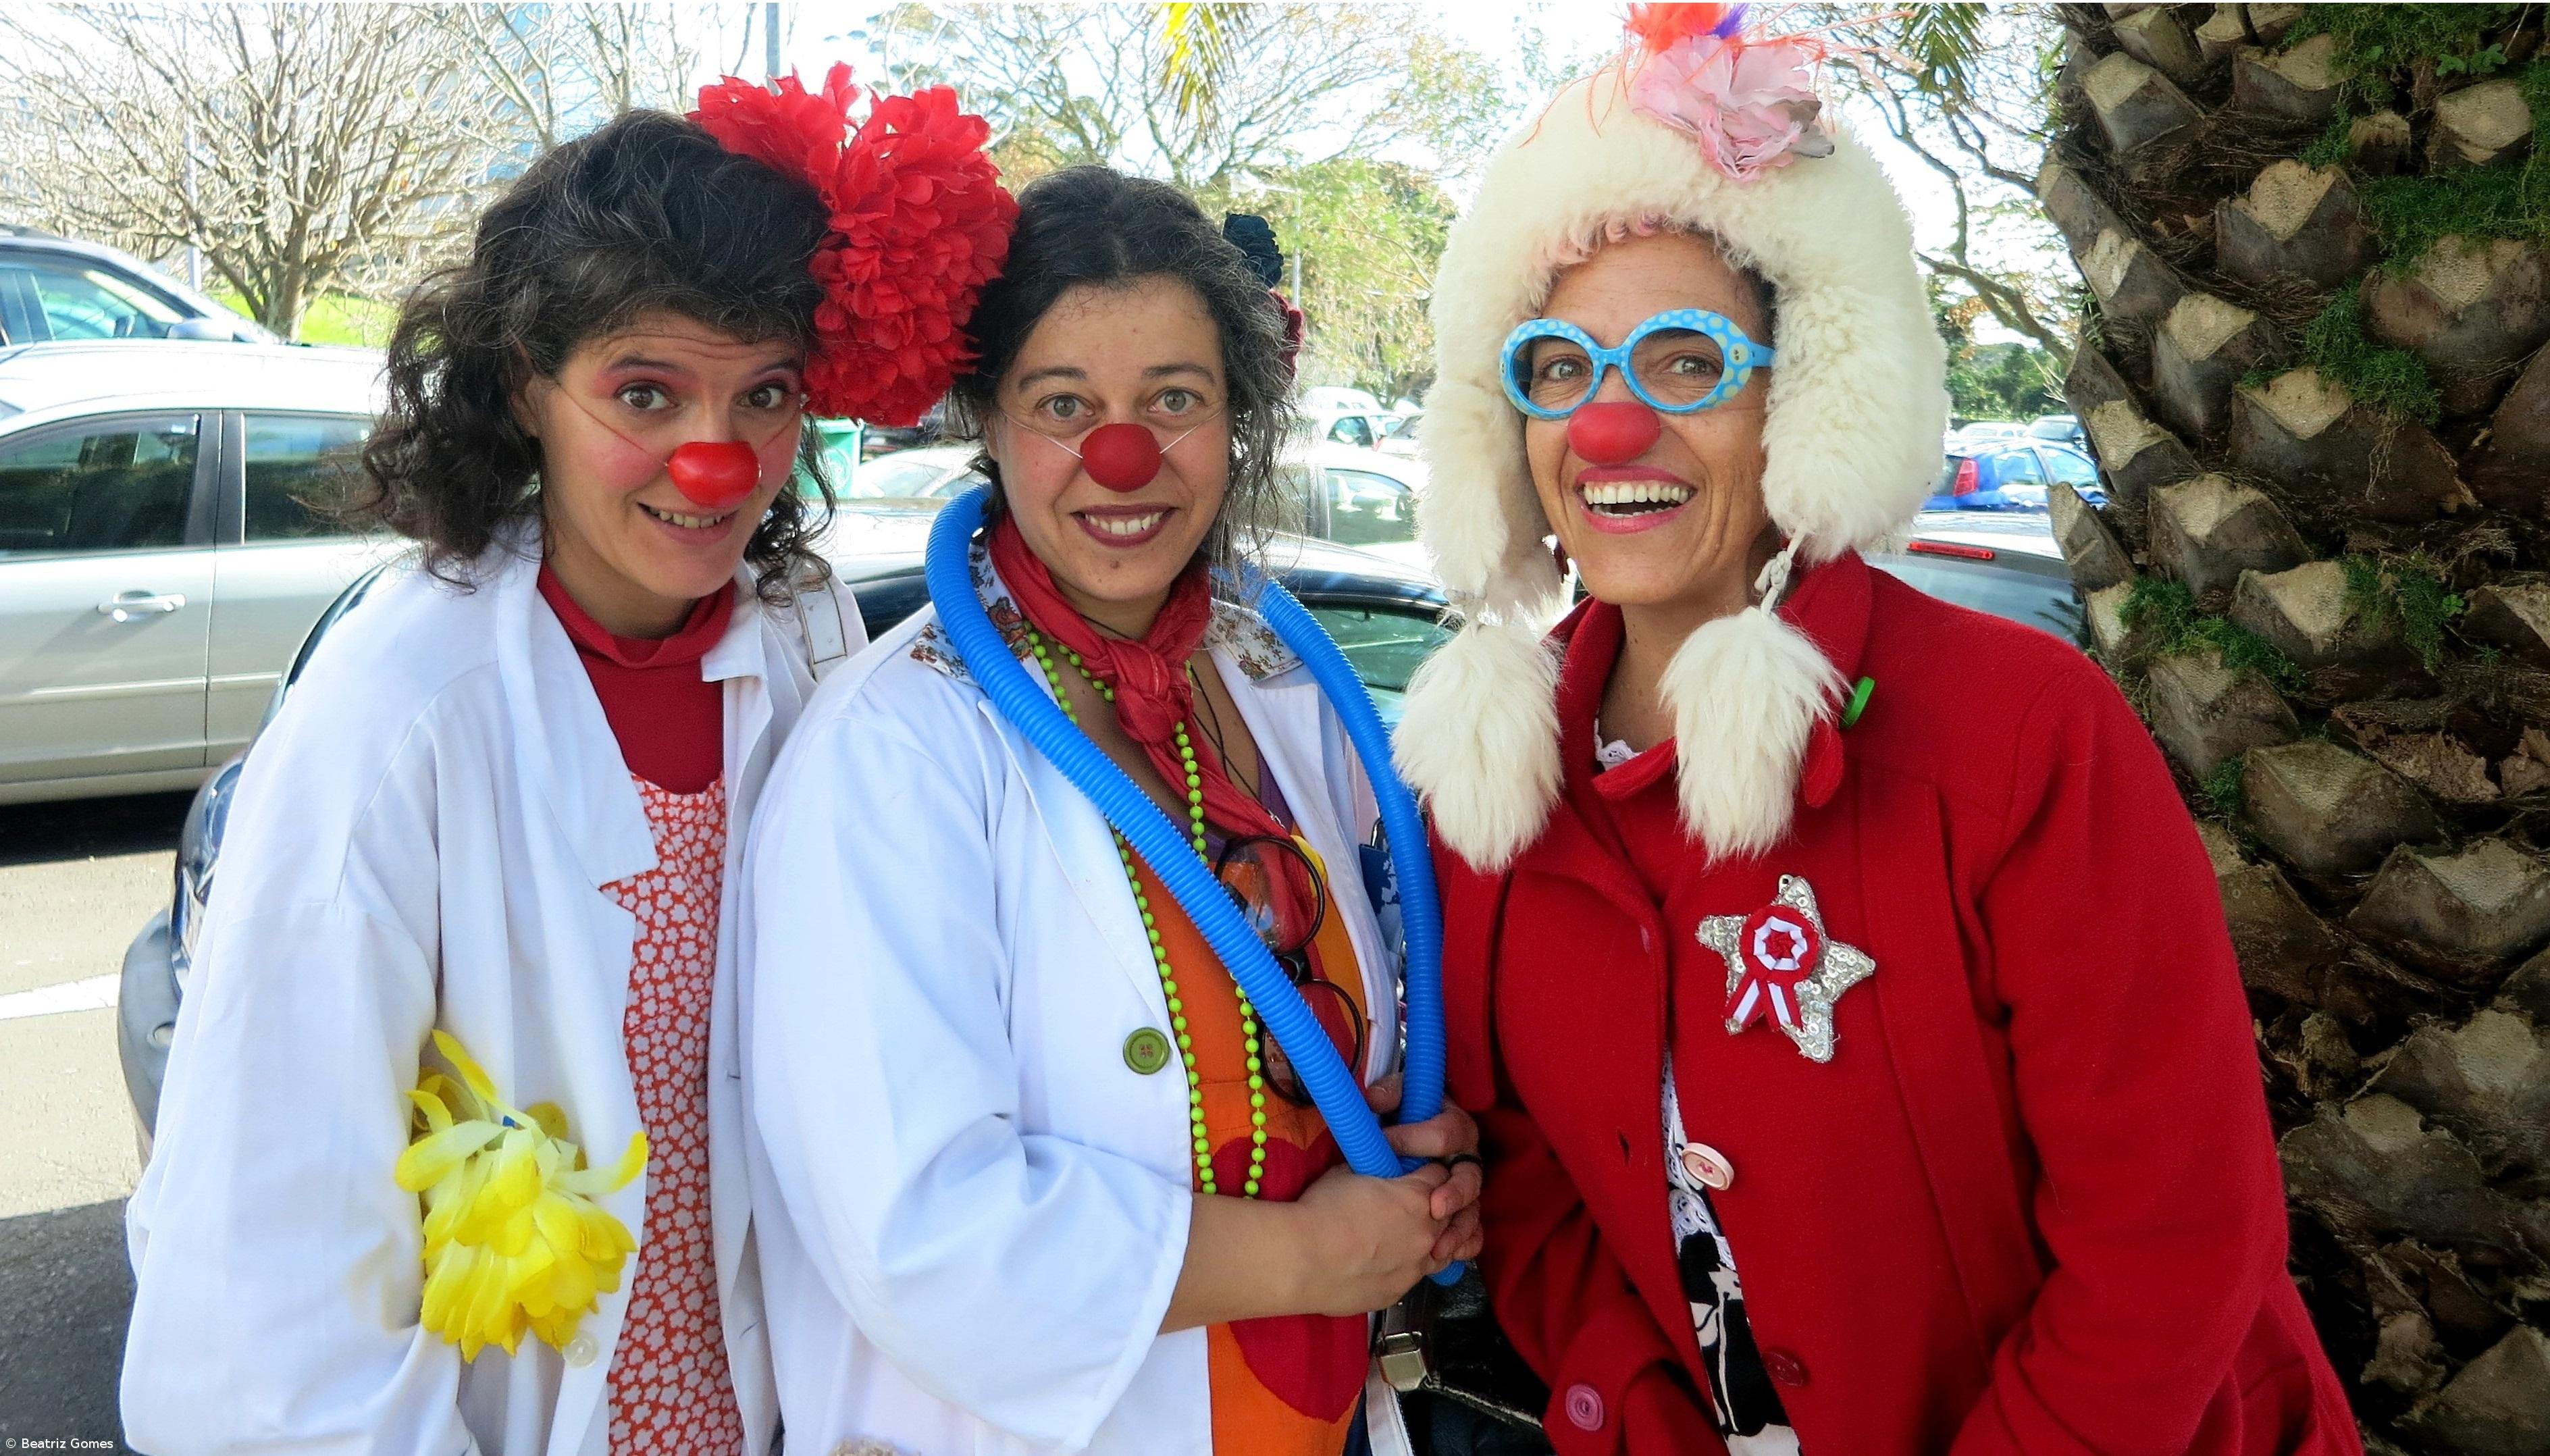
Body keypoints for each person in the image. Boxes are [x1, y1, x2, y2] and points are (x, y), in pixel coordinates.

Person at [1390, 7, 2362, 1455]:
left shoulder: (2020, 732)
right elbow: (1528, 1186)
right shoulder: (1494, 789)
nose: (1606, 429)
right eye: (1556, 367)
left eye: (1680, 360)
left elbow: (2169, 1233)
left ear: (1808, 392)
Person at [120, 68, 1009, 1455]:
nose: (716, 461)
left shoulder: (809, 636)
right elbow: (260, 1290)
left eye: (766, 394)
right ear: (528, 386)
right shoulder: (398, 706)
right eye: (645, 393)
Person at [740, 165, 1482, 1456]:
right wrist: (1308, 1257)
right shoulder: (894, 749)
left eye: (1173, 401)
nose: (1121, 456)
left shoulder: (1281, 683)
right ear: (987, 413)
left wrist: (1411, 1158)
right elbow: (919, 1231)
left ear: (1238, 412)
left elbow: (1345, 1022)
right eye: (1063, 403)